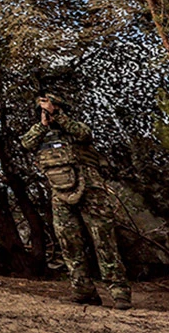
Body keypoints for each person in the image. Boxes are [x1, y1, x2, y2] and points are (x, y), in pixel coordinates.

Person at [21, 94, 131, 310]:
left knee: (103, 241)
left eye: (49, 109)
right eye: (43, 110)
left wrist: (58, 115)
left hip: (91, 188)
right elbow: (26, 143)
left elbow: (84, 133)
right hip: (60, 192)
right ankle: (83, 290)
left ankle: (119, 292)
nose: (47, 113)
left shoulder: (73, 127)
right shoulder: (41, 133)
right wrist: (43, 124)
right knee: (69, 242)